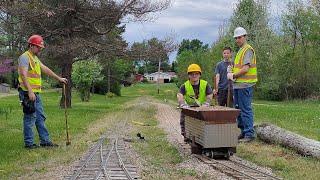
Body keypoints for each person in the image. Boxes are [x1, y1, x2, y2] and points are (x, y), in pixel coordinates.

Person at [18, 35, 68, 149]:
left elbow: (45, 69)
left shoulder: (34, 58)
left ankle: (45, 141)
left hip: (36, 93)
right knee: (30, 118)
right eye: (38, 47)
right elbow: (23, 75)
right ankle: (29, 144)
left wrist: (58, 78)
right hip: (27, 93)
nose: (40, 49)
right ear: (31, 46)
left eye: (41, 47)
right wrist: (30, 91)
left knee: (40, 117)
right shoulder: (24, 57)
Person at [227, 27, 258, 143]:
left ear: (245, 36)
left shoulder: (248, 50)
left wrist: (233, 75)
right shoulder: (240, 51)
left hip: (245, 85)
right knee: (238, 109)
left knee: (245, 109)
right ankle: (243, 132)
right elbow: (239, 67)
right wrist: (231, 70)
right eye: (236, 38)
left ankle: (249, 134)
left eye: (239, 37)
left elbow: (245, 69)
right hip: (238, 85)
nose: (237, 40)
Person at [177, 64, 213, 141]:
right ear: (189, 75)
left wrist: (207, 103)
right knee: (183, 119)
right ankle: (185, 135)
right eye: (191, 74)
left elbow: (210, 95)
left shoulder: (205, 84)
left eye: (196, 73)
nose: (194, 75)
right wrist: (182, 104)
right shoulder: (184, 85)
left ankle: (204, 136)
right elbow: (180, 95)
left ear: (199, 75)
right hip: (189, 108)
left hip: (202, 108)